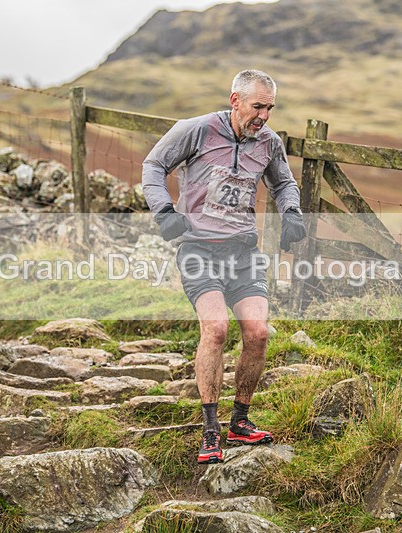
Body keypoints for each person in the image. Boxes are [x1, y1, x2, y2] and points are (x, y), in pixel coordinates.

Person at [142, 69, 306, 464]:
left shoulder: (268, 142)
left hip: (243, 253)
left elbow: (283, 183)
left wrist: (292, 214)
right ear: (235, 101)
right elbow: (153, 166)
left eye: (270, 108)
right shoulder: (196, 131)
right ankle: (210, 430)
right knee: (215, 330)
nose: (264, 116)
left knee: (258, 332)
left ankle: (240, 421)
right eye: (257, 107)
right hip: (199, 249)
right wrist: (164, 212)